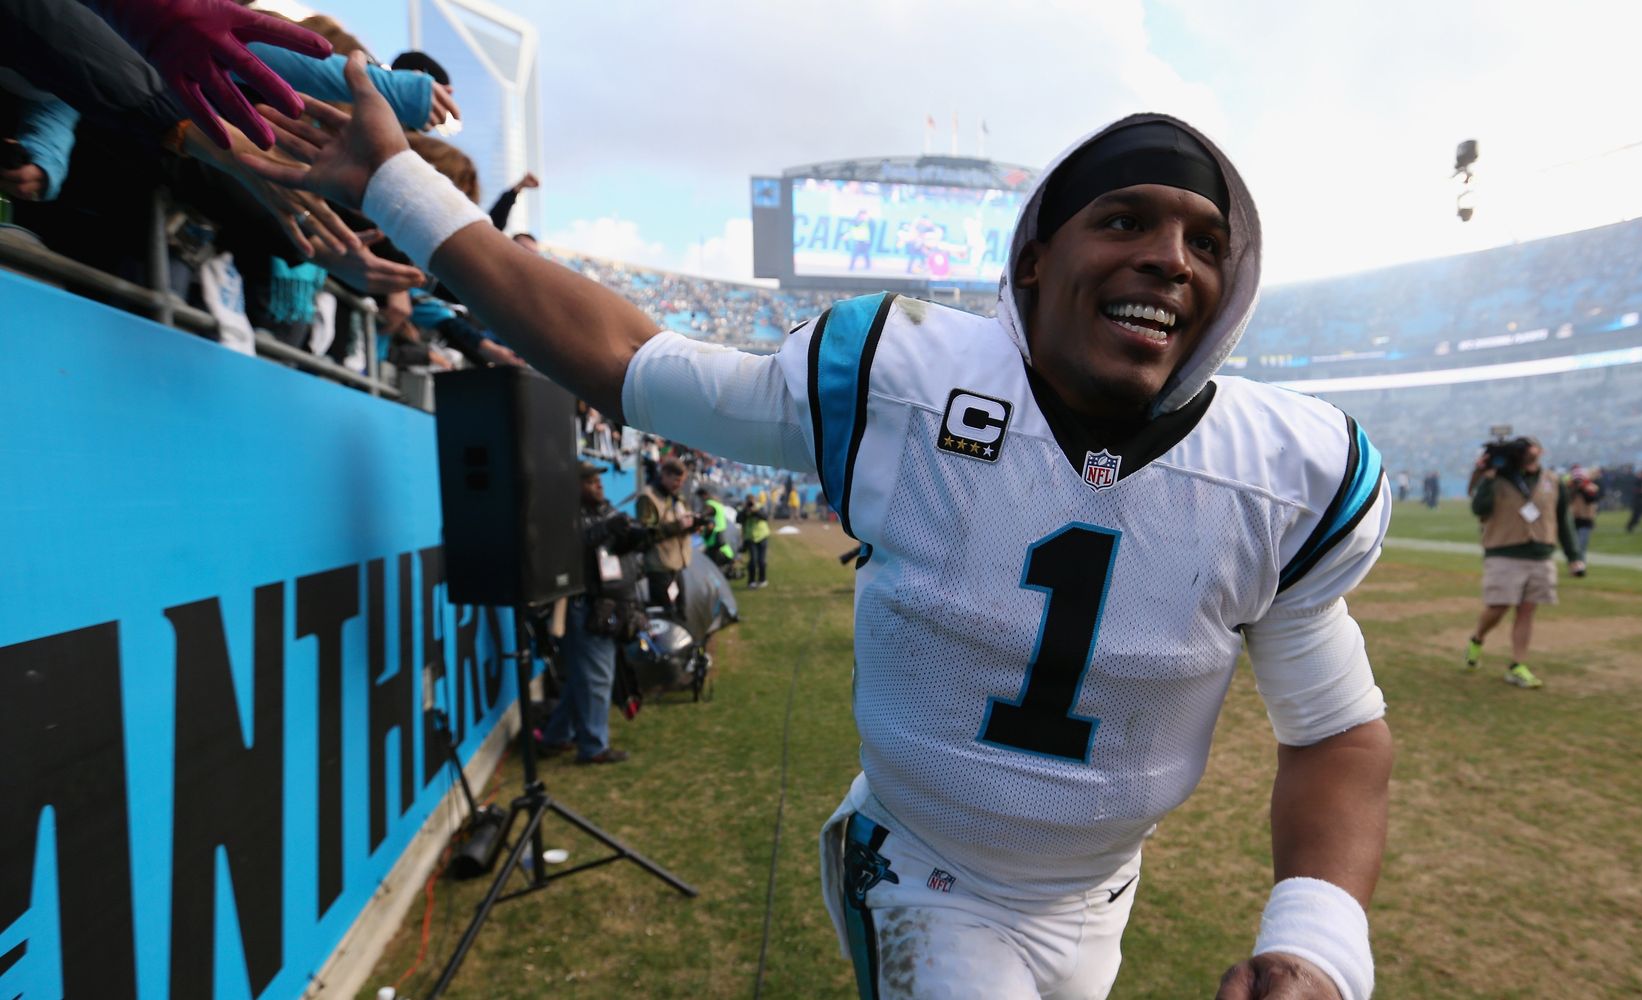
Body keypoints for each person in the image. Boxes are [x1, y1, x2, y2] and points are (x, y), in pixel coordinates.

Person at [254, 64, 1395, 999]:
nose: (1167, 257)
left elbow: (1336, 730)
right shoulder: (903, 382)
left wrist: (1315, 943)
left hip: (1096, 888)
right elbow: (635, 366)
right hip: (928, 874)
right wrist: (400, 185)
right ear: (1034, 258)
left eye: (1204, 240)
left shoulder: (1279, 475)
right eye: (1125, 219)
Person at [538, 464, 648, 764]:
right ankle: (594, 747)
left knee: (584, 680)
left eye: (599, 480)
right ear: (573, 487)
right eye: (589, 481)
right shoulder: (564, 514)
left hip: (610, 604)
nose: (598, 485)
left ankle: (556, 737)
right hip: (584, 605)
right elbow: (569, 548)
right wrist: (605, 529)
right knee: (597, 679)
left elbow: (619, 545)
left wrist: (636, 534)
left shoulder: (606, 510)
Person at [1464, 439, 1583, 689]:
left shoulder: (1552, 480)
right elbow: (1478, 507)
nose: (1529, 451)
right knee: (1499, 606)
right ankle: (1478, 637)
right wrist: (1486, 476)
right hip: (1503, 551)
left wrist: (1574, 557)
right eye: (1523, 448)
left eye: (1532, 446)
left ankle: (1518, 665)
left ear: (1542, 451)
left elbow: (1564, 519)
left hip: (1540, 554)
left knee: (1527, 610)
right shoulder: (1498, 478)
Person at [633, 456, 698, 615]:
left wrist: (694, 525)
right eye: (676, 480)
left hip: (677, 564)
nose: (679, 485)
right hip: (659, 566)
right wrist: (678, 526)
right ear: (664, 474)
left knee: (681, 611)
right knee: (665, 614)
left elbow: (681, 525)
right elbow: (646, 535)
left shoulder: (675, 497)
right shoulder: (648, 498)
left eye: (681, 481)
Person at [1567, 466, 1601, 575]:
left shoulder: (1591, 488)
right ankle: (1573, 566)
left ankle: (1580, 567)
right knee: (1573, 545)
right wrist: (1574, 488)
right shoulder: (1570, 488)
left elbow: (1591, 499)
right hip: (1572, 520)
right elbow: (1567, 499)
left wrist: (1582, 488)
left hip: (1586, 520)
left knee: (1581, 545)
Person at [740, 496, 771, 589]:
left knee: (761, 561)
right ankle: (751, 581)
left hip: (762, 536)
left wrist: (756, 511)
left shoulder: (760, 507)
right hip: (750, 537)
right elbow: (738, 519)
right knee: (753, 561)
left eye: (751, 501)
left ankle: (762, 579)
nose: (750, 503)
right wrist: (745, 511)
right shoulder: (744, 509)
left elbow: (765, 517)